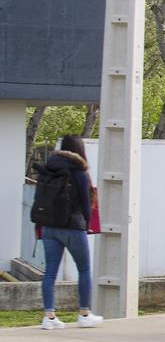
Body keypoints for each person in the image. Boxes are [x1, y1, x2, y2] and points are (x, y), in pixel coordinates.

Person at [34, 135, 103, 330]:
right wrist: (87, 223)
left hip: (49, 227)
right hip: (73, 227)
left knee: (50, 272)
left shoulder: (47, 169)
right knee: (84, 270)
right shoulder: (79, 172)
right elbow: (86, 204)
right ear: (80, 150)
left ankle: (49, 317)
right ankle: (84, 314)